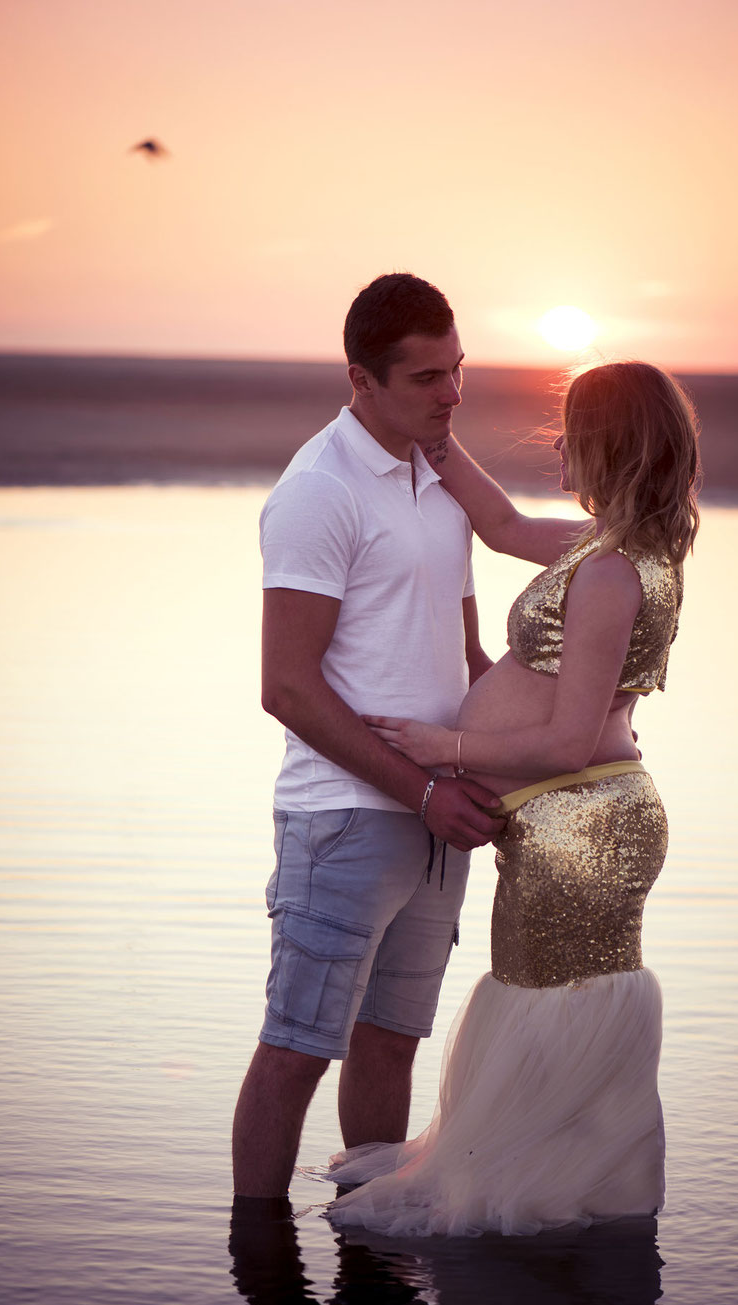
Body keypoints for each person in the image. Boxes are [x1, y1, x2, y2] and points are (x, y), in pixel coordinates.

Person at [326, 360, 701, 1235]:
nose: (561, 445)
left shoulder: (611, 576)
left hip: (583, 828)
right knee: (544, 1004)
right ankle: (555, 1189)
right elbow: (495, 526)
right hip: (566, 821)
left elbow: (571, 739)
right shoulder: (605, 551)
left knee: (546, 1007)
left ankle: (541, 1205)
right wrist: (436, 441)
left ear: (610, 445)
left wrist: (445, 746)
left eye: (576, 430)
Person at [231, 273, 504, 1201]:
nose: (452, 395)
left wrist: (533, 756)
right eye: (427, 378)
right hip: (346, 818)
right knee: (297, 1050)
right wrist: (423, 790)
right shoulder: (318, 490)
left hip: (439, 815)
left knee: (391, 1043)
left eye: (458, 370)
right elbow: (286, 687)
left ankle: (369, 1247)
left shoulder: (441, 477)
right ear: (361, 380)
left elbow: (466, 654)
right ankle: (258, 1272)